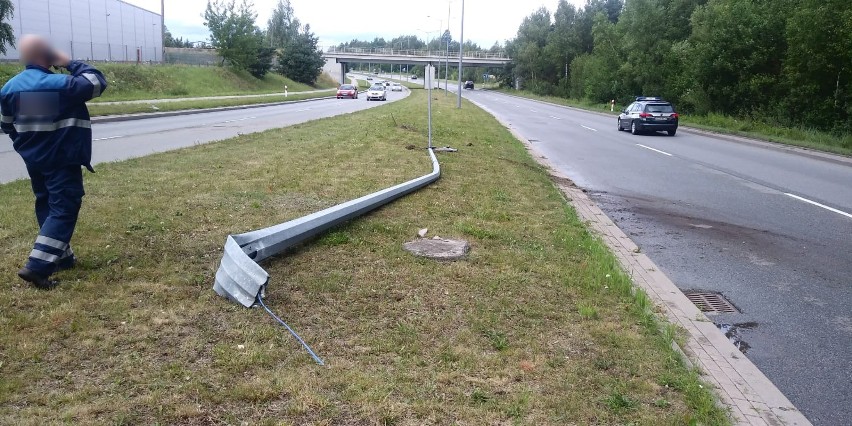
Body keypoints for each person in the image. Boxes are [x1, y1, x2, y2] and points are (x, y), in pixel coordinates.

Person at [0, 35, 108, 289]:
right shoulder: (61, 85)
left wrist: (24, 143)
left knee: (47, 203)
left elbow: (6, 125)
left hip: (35, 159)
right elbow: (96, 82)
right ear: (47, 55)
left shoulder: (10, 88)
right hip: (61, 158)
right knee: (64, 207)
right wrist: (69, 62)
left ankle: (61, 257)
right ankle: (38, 267)